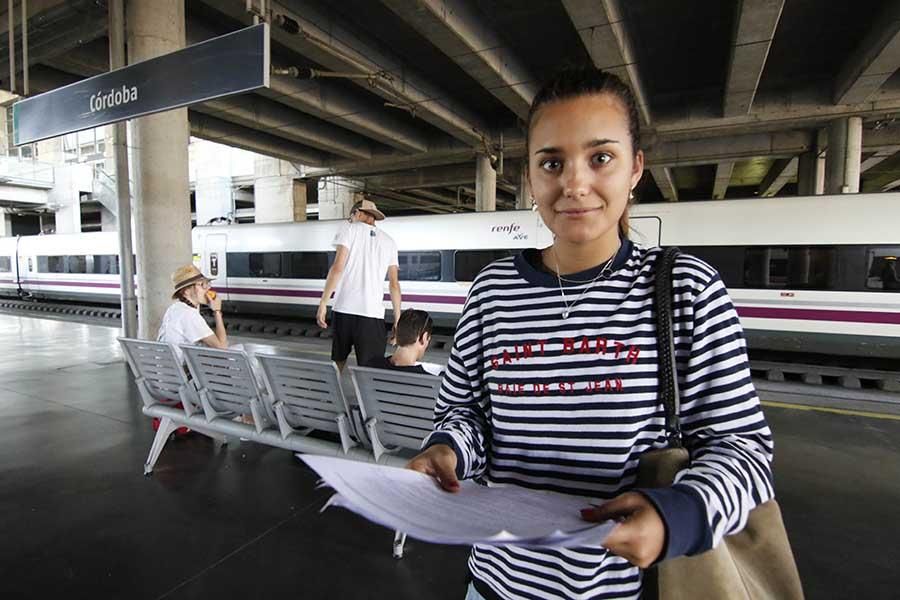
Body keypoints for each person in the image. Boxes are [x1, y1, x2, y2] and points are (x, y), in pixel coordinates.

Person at [407, 67, 775, 600]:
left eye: (600, 157)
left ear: (635, 169)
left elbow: (744, 451)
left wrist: (677, 515)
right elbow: (465, 413)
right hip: (496, 586)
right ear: (530, 177)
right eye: (551, 162)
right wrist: (448, 450)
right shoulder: (493, 291)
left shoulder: (687, 292)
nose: (574, 184)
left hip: (622, 591)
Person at [317, 199, 402, 371]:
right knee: (370, 368)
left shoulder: (348, 229)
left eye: (352, 216)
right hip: (372, 314)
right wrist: (398, 318)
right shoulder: (389, 241)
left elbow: (337, 267)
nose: (351, 219)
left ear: (358, 213)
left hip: (344, 309)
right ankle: (368, 398)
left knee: (339, 361)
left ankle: (337, 393)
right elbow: (394, 284)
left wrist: (323, 303)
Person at [157, 264, 227, 362]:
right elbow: (223, 349)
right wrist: (217, 311)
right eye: (202, 285)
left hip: (166, 371)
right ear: (186, 291)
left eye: (207, 283)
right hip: (180, 374)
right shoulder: (189, 314)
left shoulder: (174, 308)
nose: (207, 289)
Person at [366, 308, 438, 375]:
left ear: (395, 332)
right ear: (423, 338)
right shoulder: (428, 380)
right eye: (428, 339)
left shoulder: (370, 366)